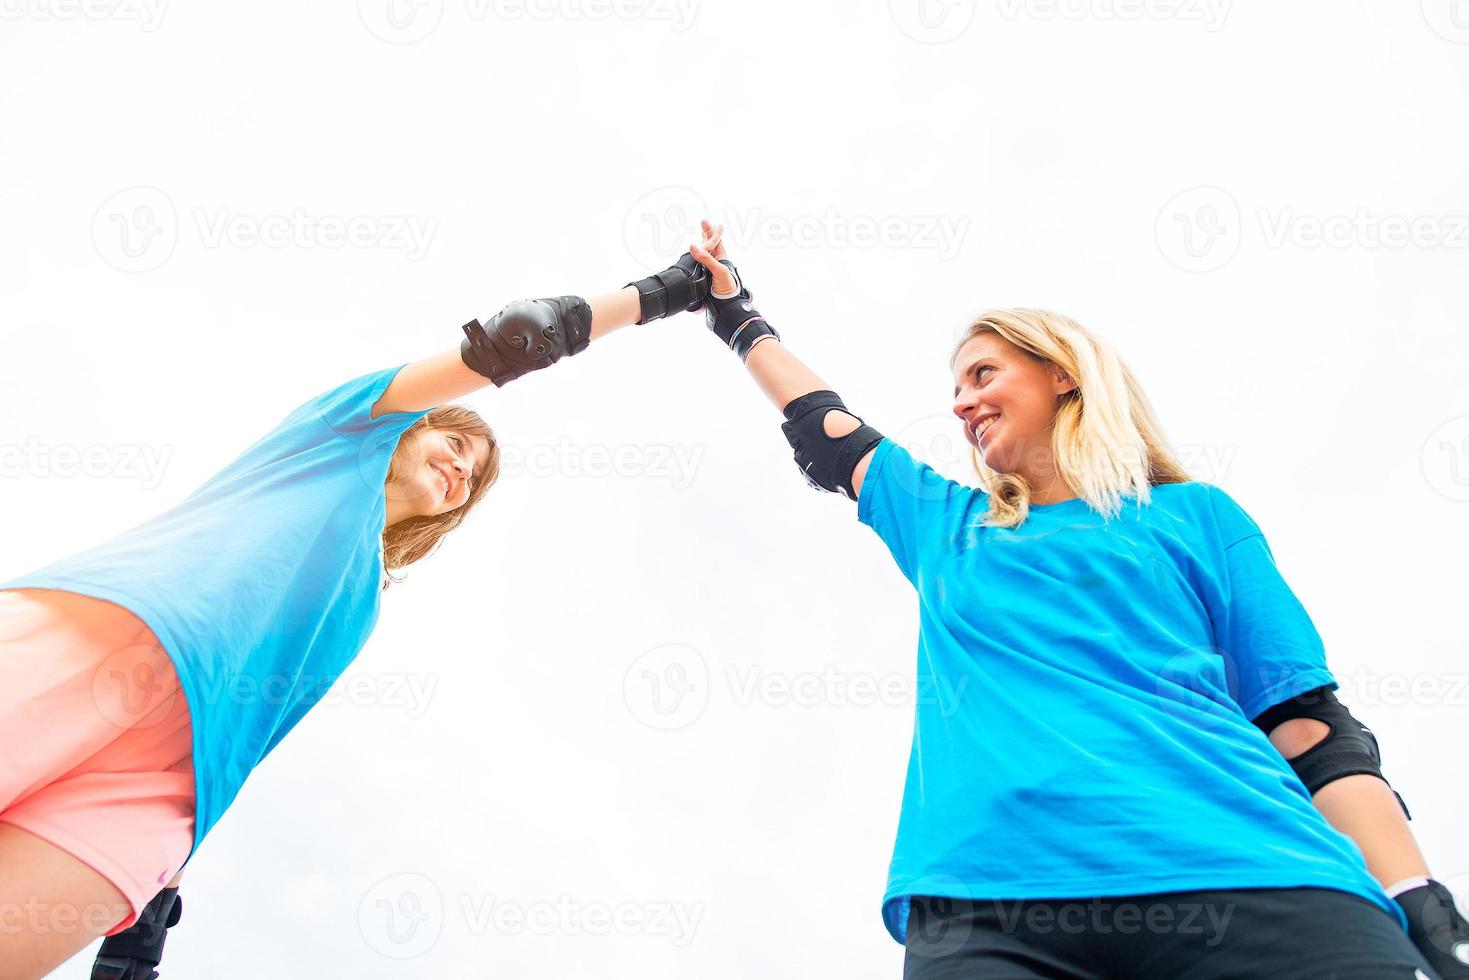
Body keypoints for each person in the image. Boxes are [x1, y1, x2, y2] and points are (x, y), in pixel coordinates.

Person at [683, 219, 1467, 978]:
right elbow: (826, 427)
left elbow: (1307, 728)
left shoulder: (1195, 516)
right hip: (992, 905)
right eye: (954, 389)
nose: (960, 404)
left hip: (1255, 873)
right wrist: (737, 318)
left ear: (1061, 373)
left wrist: (1418, 899)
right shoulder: (945, 526)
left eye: (982, 375)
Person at [0, 250, 715, 978]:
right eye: (457, 443)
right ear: (413, 430)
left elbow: (259, 725)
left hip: (163, 793)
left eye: (474, 478)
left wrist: (160, 894)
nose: (462, 470)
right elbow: (519, 335)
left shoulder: (365, 601)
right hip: (93, 642)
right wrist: (667, 292)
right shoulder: (338, 433)